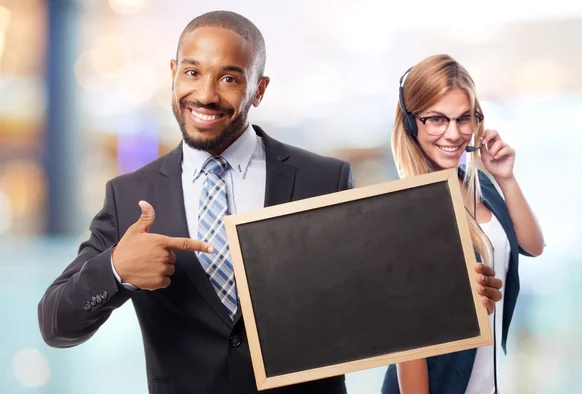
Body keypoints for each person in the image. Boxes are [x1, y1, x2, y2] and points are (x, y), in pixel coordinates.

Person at [37, 11, 503, 394]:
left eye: (230, 79)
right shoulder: (129, 196)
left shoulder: (325, 177)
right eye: (192, 72)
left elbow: (379, 294)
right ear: (173, 73)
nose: (205, 94)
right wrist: (116, 268)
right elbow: (56, 323)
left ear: (259, 89)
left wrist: (450, 290)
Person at [380, 54, 545, 394]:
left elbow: (532, 245)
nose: (453, 134)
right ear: (412, 122)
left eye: (464, 119)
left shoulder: (478, 185)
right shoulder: (407, 210)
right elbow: (407, 341)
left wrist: (506, 179)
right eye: (437, 119)